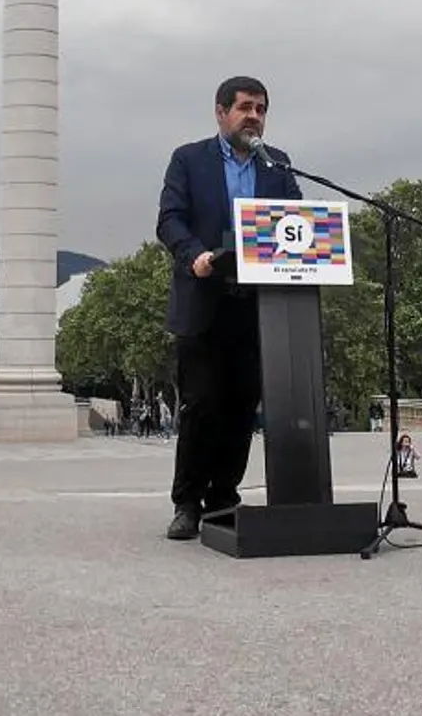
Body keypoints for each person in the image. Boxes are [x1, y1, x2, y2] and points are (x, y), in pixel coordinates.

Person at [157, 76, 302, 541]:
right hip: (204, 299)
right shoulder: (188, 159)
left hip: (258, 305)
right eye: (244, 107)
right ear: (220, 112)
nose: (253, 115)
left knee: (242, 405)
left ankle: (224, 499)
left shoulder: (276, 164)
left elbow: (295, 221)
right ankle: (187, 502)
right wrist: (193, 254)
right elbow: (170, 219)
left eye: (260, 108)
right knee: (201, 405)